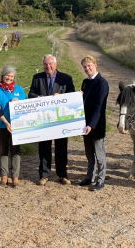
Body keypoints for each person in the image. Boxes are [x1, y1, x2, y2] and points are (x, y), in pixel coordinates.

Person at [28, 54, 75, 185]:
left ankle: (62, 174)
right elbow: (30, 94)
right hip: (43, 120)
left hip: (60, 119)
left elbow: (72, 95)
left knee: (61, 147)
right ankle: (44, 174)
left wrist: (61, 96)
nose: (48, 66)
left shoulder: (66, 78)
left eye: (50, 64)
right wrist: (38, 97)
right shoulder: (37, 78)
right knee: (44, 147)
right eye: (45, 64)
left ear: (55, 64)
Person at [76, 55, 109, 191]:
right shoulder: (85, 82)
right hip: (85, 124)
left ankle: (100, 180)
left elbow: (98, 106)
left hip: (96, 124)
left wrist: (91, 124)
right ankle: (90, 177)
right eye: (84, 66)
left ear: (95, 65)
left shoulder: (102, 83)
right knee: (89, 154)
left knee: (99, 155)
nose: (87, 68)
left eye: (89, 65)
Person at [0, 66, 26, 187]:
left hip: (17, 125)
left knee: (16, 151)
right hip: (2, 125)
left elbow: (25, 106)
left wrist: (18, 103)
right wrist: (6, 123)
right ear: (2, 76)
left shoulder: (19, 89)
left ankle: (15, 177)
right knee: (3, 151)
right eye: (7, 75)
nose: (9, 78)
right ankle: (4, 177)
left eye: (11, 76)